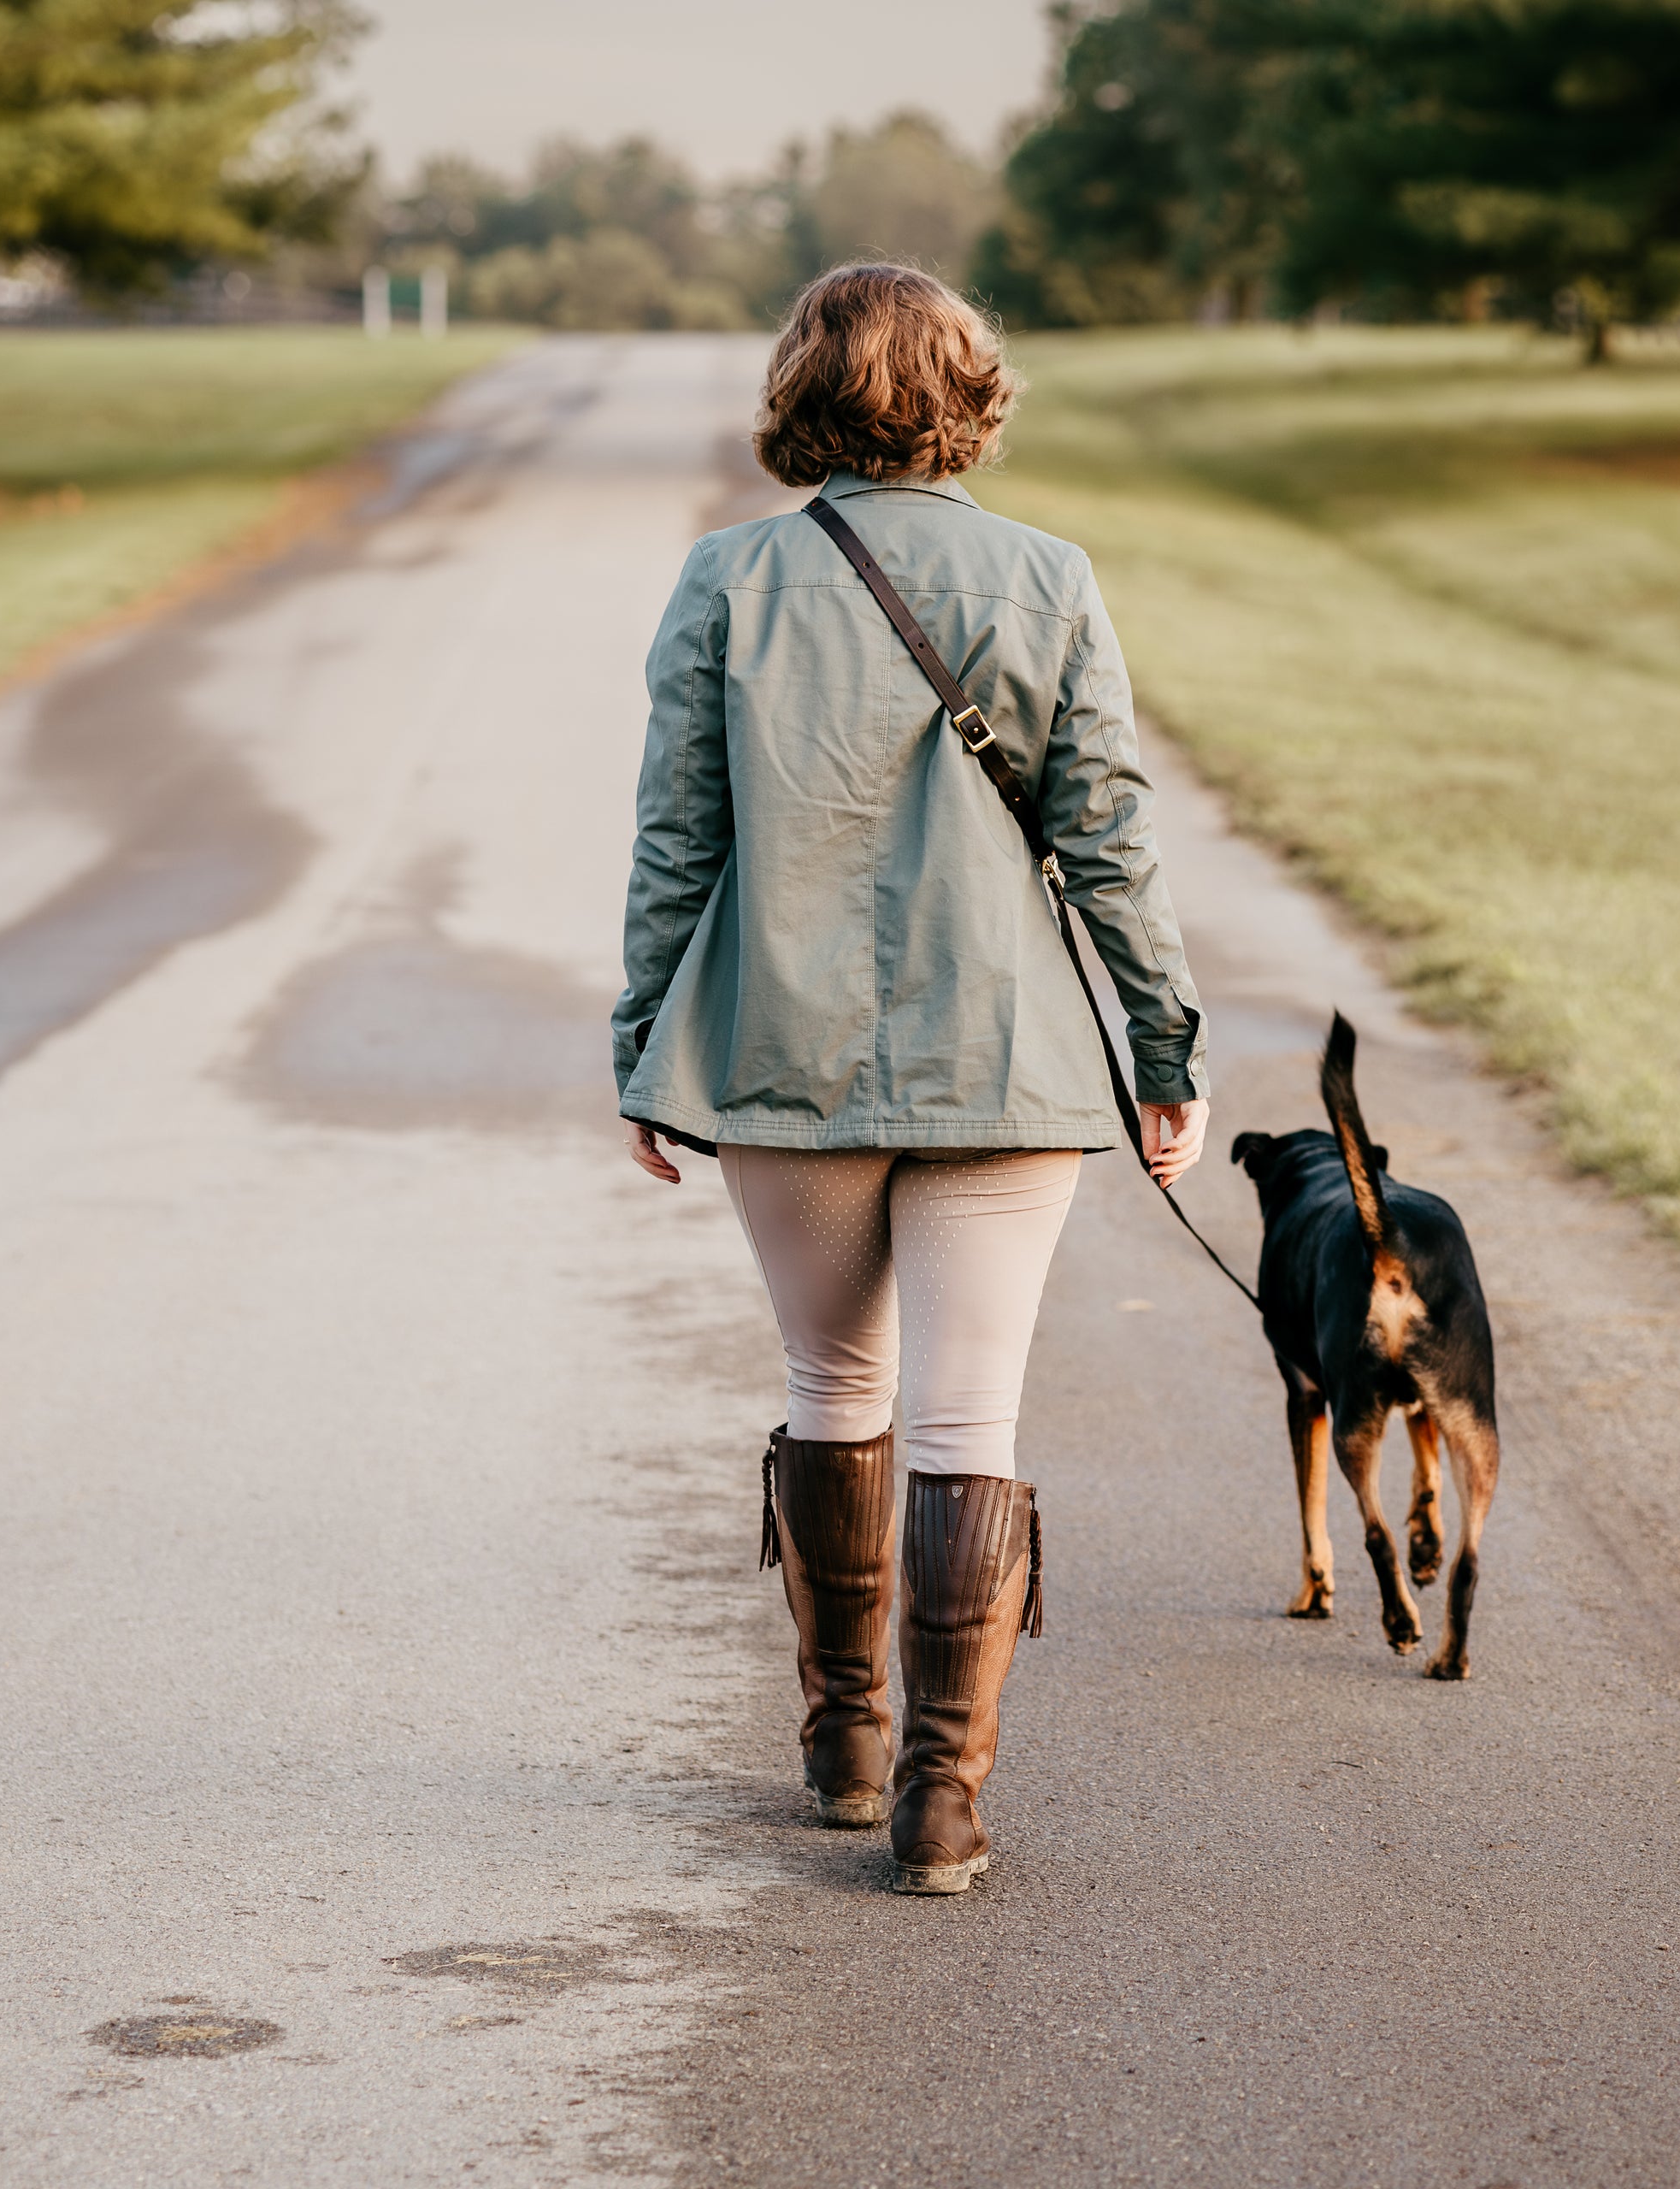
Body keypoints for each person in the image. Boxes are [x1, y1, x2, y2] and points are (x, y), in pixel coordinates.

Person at [610, 264, 1209, 1897]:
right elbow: (1110, 842)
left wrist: (643, 1044)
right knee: (970, 1412)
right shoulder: (1049, 576)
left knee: (835, 1388)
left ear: (802, 389)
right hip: (1002, 1060)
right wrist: (1167, 1054)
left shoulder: (726, 582)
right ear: (971, 391)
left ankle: (844, 1733)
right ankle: (942, 1806)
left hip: (778, 1057)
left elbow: (681, 841)